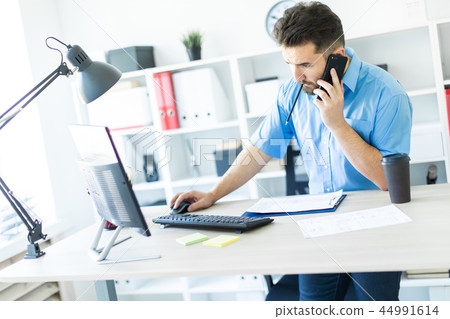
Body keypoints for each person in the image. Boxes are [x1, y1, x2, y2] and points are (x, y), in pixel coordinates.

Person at [170, 1, 412, 301]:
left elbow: (388, 181)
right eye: (289, 64)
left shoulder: (387, 94)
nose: (296, 76)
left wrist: (337, 124)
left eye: (305, 65)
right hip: (321, 228)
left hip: (376, 231)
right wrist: (212, 194)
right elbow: (259, 150)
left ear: (336, 57)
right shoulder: (293, 92)